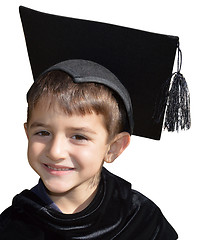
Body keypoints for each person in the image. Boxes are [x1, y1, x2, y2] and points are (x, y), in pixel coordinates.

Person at [1, 6, 190, 239]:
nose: (56, 151)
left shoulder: (143, 222)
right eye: (43, 132)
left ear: (113, 148)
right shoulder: (12, 227)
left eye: (78, 136)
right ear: (27, 133)